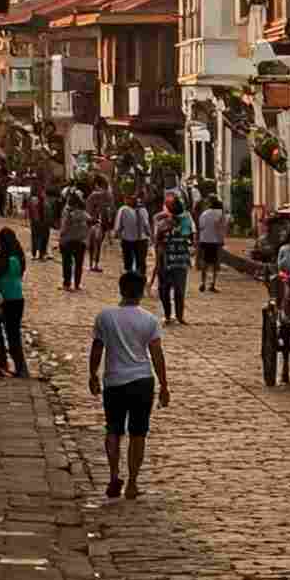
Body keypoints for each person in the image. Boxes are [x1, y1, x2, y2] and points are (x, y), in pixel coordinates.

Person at [89, 270, 171, 502]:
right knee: (138, 434)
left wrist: (92, 375)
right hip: (142, 381)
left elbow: (97, 349)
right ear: (141, 292)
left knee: (113, 430)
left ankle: (114, 474)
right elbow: (157, 355)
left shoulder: (105, 317)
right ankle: (133, 483)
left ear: (121, 289)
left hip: (114, 380)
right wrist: (164, 385)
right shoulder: (149, 320)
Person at [0, 227, 28, 378]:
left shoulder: (3, 259)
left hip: (4, 300)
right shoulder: (18, 257)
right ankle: (20, 367)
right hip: (17, 299)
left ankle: (4, 364)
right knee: (13, 335)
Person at [154, 193, 194, 324]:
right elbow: (158, 241)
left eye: (169, 205)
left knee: (176, 290)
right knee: (166, 290)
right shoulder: (162, 220)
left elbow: (191, 237)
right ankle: (169, 315)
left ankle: (177, 316)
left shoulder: (186, 220)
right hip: (168, 259)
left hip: (177, 260)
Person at [115, 189, 150, 287]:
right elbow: (147, 226)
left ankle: (138, 281)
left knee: (138, 262)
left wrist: (117, 234)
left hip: (136, 240)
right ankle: (132, 281)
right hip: (131, 240)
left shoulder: (128, 210)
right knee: (132, 262)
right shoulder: (125, 209)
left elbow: (146, 225)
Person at [57, 186, 90, 291]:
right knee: (79, 264)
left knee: (67, 263)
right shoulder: (84, 213)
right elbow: (90, 222)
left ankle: (67, 284)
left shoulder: (67, 211)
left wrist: (61, 238)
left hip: (68, 240)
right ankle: (77, 284)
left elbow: (64, 227)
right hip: (81, 241)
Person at [195, 189, 227, 291]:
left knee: (204, 262)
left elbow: (201, 227)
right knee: (215, 263)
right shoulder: (221, 214)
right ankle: (212, 284)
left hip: (204, 240)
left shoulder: (204, 214)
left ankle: (202, 283)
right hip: (216, 241)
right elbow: (222, 228)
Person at [85, 182, 109, 272]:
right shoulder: (94, 198)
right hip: (94, 225)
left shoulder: (100, 199)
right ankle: (93, 264)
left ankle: (93, 264)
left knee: (95, 245)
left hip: (97, 225)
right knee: (94, 245)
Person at [26, 184, 52, 263]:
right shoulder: (40, 201)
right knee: (41, 238)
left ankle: (36, 254)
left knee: (36, 238)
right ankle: (40, 254)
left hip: (37, 222)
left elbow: (30, 211)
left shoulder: (33, 200)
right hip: (40, 222)